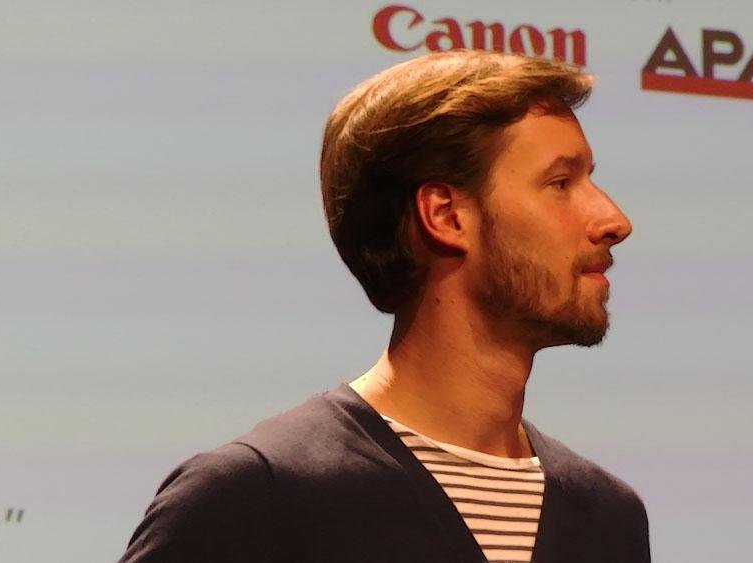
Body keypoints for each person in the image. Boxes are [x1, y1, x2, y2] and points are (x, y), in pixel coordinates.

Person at [119, 50, 648, 563]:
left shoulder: (607, 517)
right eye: (560, 183)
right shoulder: (255, 496)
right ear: (446, 216)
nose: (613, 220)